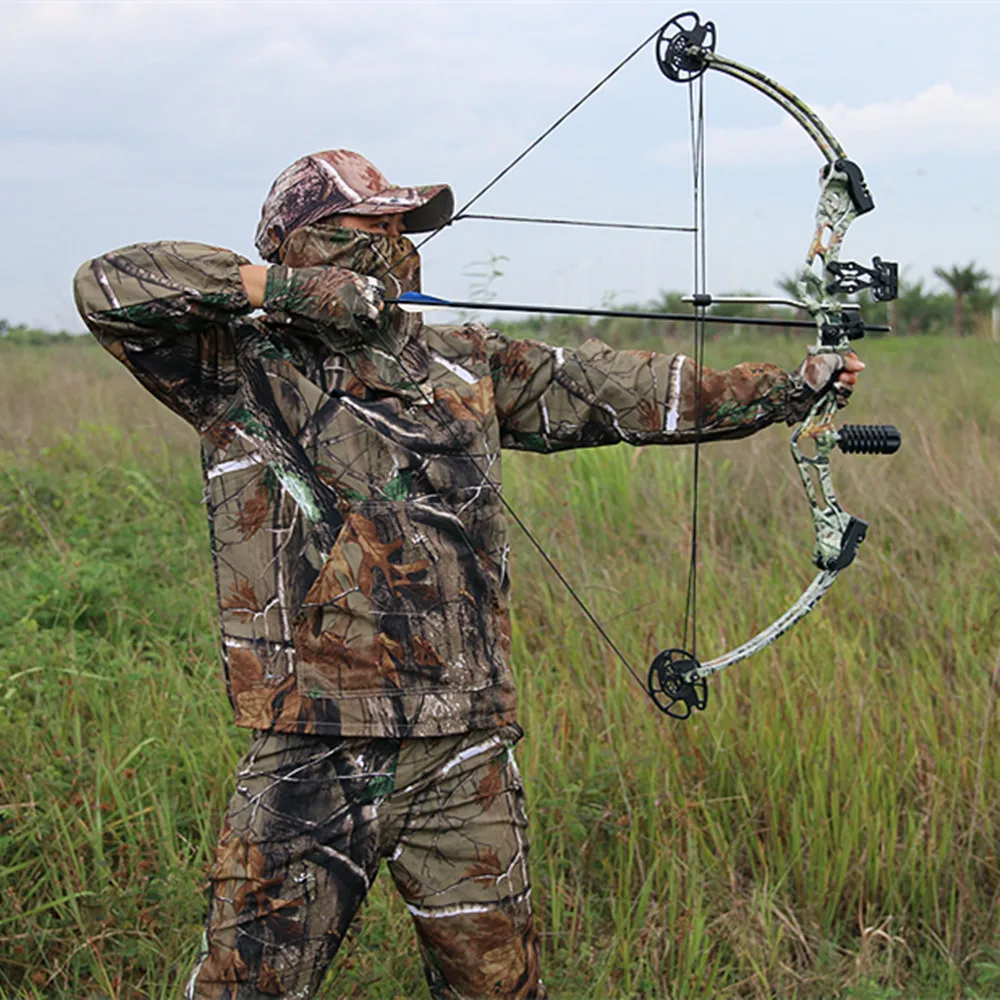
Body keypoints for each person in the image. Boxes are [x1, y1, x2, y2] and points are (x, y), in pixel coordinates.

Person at [73, 149, 863, 1000]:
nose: (390, 245)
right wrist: (285, 294)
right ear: (298, 245)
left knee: (498, 990)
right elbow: (105, 285)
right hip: (317, 743)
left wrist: (791, 386)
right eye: (363, 229)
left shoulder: (460, 360)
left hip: (466, 746)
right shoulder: (239, 366)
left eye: (399, 229)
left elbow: (614, 388)